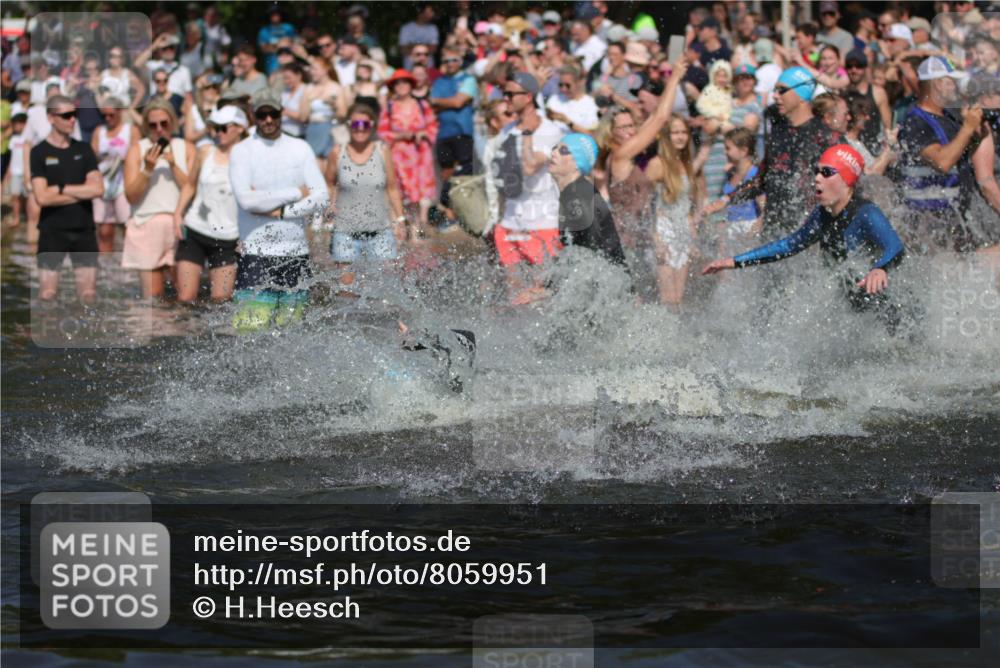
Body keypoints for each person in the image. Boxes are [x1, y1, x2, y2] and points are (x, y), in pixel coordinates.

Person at [703, 145, 908, 334]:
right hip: (852, 314)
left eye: (826, 172)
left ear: (847, 179)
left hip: (886, 314)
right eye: (816, 171)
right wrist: (734, 261)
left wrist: (880, 268)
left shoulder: (866, 213)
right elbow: (789, 245)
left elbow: (895, 246)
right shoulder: (823, 214)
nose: (817, 178)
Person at [228, 88, 328, 332]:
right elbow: (247, 201)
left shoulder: (300, 148)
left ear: (281, 113)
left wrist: (282, 212)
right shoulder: (242, 150)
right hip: (255, 254)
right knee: (249, 333)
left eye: (273, 113)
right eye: (262, 115)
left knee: (293, 335)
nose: (268, 120)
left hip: (296, 254)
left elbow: (322, 196)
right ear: (254, 116)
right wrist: (295, 193)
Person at [713, 66, 841, 235]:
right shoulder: (778, 133)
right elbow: (761, 180)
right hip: (773, 231)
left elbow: (844, 186)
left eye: (782, 90)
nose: (775, 96)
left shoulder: (826, 137)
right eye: (775, 90)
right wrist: (727, 199)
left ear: (802, 95)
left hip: (807, 234)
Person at [603, 62, 688, 298]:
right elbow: (661, 119)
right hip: (625, 241)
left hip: (638, 238)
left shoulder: (628, 153)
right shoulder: (620, 155)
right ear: (612, 133)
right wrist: (674, 79)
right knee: (638, 301)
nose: (630, 131)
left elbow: (655, 118)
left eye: (631, 126)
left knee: (648, 300)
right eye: (623, 128)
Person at [895, 56, 982, 253]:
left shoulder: (950, 116)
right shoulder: (916, 122)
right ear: (937, 84)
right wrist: (968, 128)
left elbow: (963, 150)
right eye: (952, 82)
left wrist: (976, 129)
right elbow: (942, 162)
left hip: (955, 218)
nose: (956, 88)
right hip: (930, 224)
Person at [495, 72, 564, 303]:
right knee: (513, 292)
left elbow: (530, 166)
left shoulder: (549, 130)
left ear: (527, 97)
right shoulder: (507, 130)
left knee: (540, 292)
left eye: (510, 94)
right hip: (510, 221)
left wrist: (526, 133)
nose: (505, 99)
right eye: (504, 93)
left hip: (542, 221)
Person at [29, 95, 103, 303]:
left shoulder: (84, 149)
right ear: (51, 118)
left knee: (88, 297)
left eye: (75, 115)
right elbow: (42, 197)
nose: (73, 120)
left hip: (83, 229)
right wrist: (81, 192)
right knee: (47, 295)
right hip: (52, 230)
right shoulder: (39, 152)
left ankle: (86, 335)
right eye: (67, 115)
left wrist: (61, 189)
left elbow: (97, 189)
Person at [326, 103, 406, 293]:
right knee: (346, 291)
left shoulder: (382, 150)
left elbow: (392, 188)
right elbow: (329, 183)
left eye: (365, 124)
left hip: (380, 230)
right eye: (355, 124)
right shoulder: (337, 152)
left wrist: (400, 221)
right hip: (345, 231)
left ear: (372, 126)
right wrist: (330, 206)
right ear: (348, 125)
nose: (360, 129)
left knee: (386, 291)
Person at [172, 106, 246, 303]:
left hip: (228, 237)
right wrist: (178, 214)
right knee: (185, 299)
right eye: (215, 128)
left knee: (220, 301)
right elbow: (190, 184)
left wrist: (247, 235)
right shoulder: (205, 151)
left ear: (240, 128)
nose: (218, 133)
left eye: (223, 128)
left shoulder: (248, 159)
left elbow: (252, 201)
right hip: (195, 230)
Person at [123, 100, 194, 298]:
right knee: (153, 297)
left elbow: (192, 189)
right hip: (146, 225)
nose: (159, 129)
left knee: (185, 295)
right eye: (153, 125)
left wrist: (173, 165)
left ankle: (180, 329)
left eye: (164, 123)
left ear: (173, 123)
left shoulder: (186, 148)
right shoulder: (136, 150)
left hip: (180, 226)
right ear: (146, 126)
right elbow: (131, 196)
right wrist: (147, 169)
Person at [647, 115, 702, 307]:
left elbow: (687, 204)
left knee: (679, 298)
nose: (680, 137)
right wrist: (656, 239)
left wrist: (693, 236)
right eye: (675, 132)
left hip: (683, 231)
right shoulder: (658, 164)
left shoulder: (685, 163)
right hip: (664, 230)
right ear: (666, 136)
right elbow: (647, 205)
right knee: (667, 298)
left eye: (684, 132)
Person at [549, 132, 626, 267]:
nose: (554, 153)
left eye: (564, 150)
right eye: (555, 147)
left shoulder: (579, 197)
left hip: (608, 282)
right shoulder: (574, 192)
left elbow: (596, 256)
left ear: (578, 163)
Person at [378, 69, 438, 239]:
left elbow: (432, 126)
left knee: (421, 190)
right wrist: (401, 136)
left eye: (405, 82)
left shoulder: (422, 105)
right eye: (398, 83)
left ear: (411, 84)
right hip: (398, 154)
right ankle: (404, 225)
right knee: (402, 189)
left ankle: (418, 226)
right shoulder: (389, 107)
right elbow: (383, 132)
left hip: (420, 153)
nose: (402, 86)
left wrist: (423, 134)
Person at [430, 47, 477, 223]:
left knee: (463, 172)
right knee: (447, 173)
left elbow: (458, 102)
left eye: (454, 60)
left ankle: (461, 211)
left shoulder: (468, 79)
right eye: (447, 61)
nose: (450, 64)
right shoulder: (439, 82)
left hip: (462, 132)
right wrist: (451, 102)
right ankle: (449, 211)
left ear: (460, 61)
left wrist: (441, 102)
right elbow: (436, 104)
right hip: (443, 133)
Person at [91, 100, 140, 253]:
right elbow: (92, 157)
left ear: (119, 112)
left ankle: (130, 264)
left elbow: (137, 155)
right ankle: (106, 264)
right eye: (104, 115)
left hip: (123, 184)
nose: (108, 118)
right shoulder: (99, 131)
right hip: (103, 184)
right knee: (104, 230)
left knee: (127, 227)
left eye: (111, 114)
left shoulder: (131, 130)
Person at [718, 127, 762, 256]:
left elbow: (763, 205)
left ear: (743, 151)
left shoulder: (755, 174)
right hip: (732, 228)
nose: (725, 152)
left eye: (728, 148)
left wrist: (756, 228)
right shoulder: (731, 173)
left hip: (749, 227)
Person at [301, 56, 347, 171]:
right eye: (311, 69)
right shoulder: (308, 88)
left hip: (331, 129)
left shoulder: (336, 87)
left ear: (325, 69)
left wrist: (333, 104)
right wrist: (309, 99)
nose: (312, 72)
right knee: (315, 165)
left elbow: (343, 114)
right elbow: (303, 117)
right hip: (314, 129)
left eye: (315, 69)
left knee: (330, 166)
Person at [844, 49, 892, 155]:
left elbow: (887, 125)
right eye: (849, 66)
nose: (854, 70)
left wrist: (887, 150)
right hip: (850, 147)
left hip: (872, 148)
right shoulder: (843, 93)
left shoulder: (877, 92)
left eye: (858, 66)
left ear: (865, 68)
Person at [546, 65, 599, 135]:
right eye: (561, 85)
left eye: (568, 85)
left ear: (578, 82)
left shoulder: (591, 105)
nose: (563, 89)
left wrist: (567, 121)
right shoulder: (554, 99)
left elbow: (591, 135)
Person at [99, 45, 145, 111]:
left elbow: (141, 90)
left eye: (118, 56)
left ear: (122, 59)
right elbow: (95, 89)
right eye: (112, 56)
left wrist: (131, 108)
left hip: (123, 111)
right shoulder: (104, 74)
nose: (115, 59)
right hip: (108, 113)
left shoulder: (127, 74)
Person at [399, 4, 440, 71]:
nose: (432, 14)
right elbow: (403, 50)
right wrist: (426, 46)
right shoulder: (406, 28)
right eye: (429, 12)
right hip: (409, 68)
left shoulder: (433, 28)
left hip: (429, 69)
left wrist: (412, 45)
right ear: (420, 14)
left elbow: (433, 49)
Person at [6, 113, 28, 227]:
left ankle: (28, 217)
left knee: (27, 196)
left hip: (26, 172)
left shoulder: (29, 138)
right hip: (15, 172)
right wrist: (8, 172)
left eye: (19, 124)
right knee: (15, 195)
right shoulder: (13, 139)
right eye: (14, 124)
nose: (16, 126)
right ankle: (16, 218)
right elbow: (12, 157)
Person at [279, 62, 307, 139]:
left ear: (299, 76)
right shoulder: (285, 91)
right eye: (284, 78)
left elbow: (305, 117)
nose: (286, 81)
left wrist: (285, 112)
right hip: (283, 132)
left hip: (299, 134)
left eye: (288, 78)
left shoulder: (306, 90)